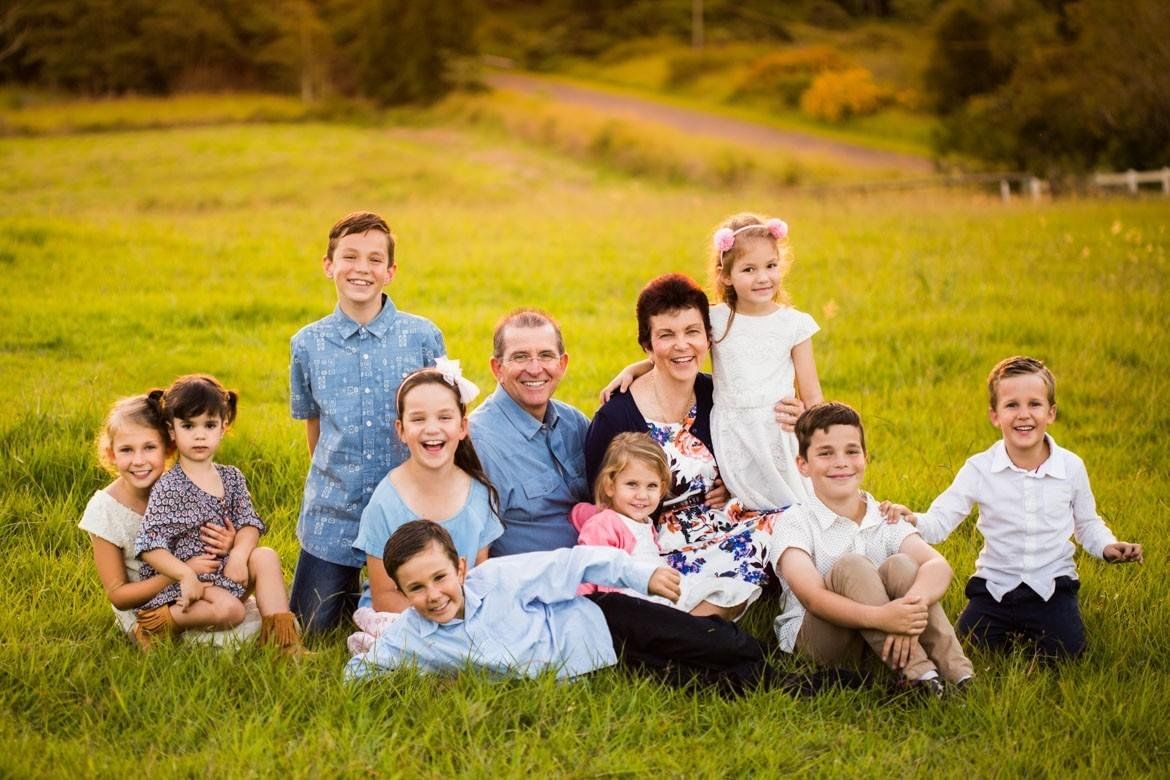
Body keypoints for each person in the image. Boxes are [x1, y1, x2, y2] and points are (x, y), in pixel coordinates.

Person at [345, 521, 796, 695]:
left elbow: (572, 562)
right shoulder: (410, 636)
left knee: (712, 641)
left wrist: (642, 576)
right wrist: (431, 682)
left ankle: (781, 660)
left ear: (460, 568)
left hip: (605, 617)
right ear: (402, 592)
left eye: (440, 578)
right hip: (600, 663)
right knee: (709, 685)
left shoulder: (497, 579)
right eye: (416, 588)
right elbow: (357, 675)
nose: (434, 595)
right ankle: (790, 687)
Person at [907, 356, 1143, 660]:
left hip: (1051, 588)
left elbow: (1087, 524)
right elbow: (941, 520)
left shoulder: (1070, 467)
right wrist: (912, 519)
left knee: (1066, 655)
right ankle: (1006, 632)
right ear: (995, 415)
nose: (1024, 415)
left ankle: (1040, 632)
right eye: (1011, 405)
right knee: (966, 649)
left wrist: (1109, 546)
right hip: (994, 588)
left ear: (1051, 412)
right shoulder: (980, 469)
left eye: (1034, 404)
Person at [586, 274, 789, 621]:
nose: (682, 345)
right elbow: (603, 501)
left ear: (708, 338)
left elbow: (758, 455)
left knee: (794, 521)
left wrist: (733, 483)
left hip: (726, 519)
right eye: (667, 335)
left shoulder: (718, 395)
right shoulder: (616, 417)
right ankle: (694, 625)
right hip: (658, 543)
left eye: (692, 332)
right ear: (647, 346)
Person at [289, 210, 445, 634]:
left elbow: (443, 421)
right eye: (350, 257)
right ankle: (340, 588)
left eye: (375, 259)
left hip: (405, 511)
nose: (362, 269)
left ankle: (371, 595)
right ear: (329, 265)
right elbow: (314, 424)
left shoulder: (422, 336)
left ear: (390, 272)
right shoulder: (306, 344)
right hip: (333, 515)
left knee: (413, 625)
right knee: (313, 629)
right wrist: (330, 481)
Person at [602, 214, 818, 512]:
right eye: (749, 269)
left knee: (799, 504)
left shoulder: (794, 324)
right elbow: (679, 350)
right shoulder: (718, 319)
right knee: (747, 504)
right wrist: (636, 368)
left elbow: (813, 396)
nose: (763, 277)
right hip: (733, 431)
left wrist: (806, 415)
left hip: (778, 428)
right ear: (726, 275)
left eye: (771, 266)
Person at [770, 402, 973, 696]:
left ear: (865, 457)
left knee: (903, 565)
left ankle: (960, 676)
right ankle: (920, 677)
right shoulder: (794, 522)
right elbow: (813, 599)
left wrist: (908, 608)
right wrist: (883, 618)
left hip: (877, 639)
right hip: (823, 641)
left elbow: (937, 565)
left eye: (851, 451)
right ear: (803, 464)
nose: (841, 462)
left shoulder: (884, 515)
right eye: (826, 453)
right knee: (851, 566)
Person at [133, 375, 304, 654]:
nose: (200, 435)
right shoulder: (170, 487)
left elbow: (249, 523)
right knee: (232, 611)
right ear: (172, 430)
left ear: (224, 427)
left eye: (209, 425)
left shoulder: (232, 477)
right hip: (186, 583)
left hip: (226, 572)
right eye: (188, 426)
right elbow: (149, 546)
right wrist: (186, 574)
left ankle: (284, 645)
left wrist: (238, 555)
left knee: (265, 555)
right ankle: (156, 624)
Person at [79, 393, 261, 647]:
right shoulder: (105, 510)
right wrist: (180, 573)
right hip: (151, 609)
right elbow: (118, 595)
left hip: (203, 589)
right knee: (232, 625)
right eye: (126, 450)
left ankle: (283, 638)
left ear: (170, 446)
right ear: (111, 454)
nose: (139, 460)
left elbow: (227, 538)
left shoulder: (182, 486)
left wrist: (230, 544)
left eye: (150, 447)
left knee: (259, 570)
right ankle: (157, 630)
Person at [352, 362, 503, 614]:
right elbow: (384, 595)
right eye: (418, 419)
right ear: (401, 430)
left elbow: (480, 580)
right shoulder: (386, 502)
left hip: (462, 610)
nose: (432, 429)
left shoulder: (479, 494)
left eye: (444, 417)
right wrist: (443, 622)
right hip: (402, 614)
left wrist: (461, 619)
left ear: (462, 427)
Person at [468, 309, 589, 556]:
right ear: (497, 368)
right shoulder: (478, 442)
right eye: (520, 357)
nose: (535, 369)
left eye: (546, 355)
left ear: (562, 364)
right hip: (531, 588)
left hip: (597, 574)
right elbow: (472, 549)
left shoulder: (575, 423)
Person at [573, 431, 718, 614]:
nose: (642, 495)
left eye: (651, 486)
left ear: (662, 488)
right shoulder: (606, 524)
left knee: (722, 591)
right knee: (710, 603)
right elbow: (588, 568)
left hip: (656, 588)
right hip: (634, 601)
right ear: (610, 486)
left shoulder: (644, 522)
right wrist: (579, 609)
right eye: (632, 484)